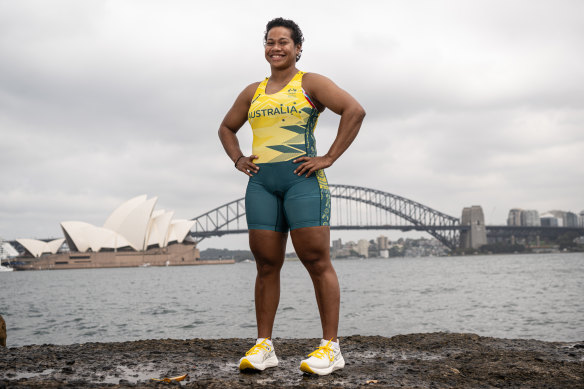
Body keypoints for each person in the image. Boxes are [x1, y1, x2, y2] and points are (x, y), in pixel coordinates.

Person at [218, 17, 365, 376]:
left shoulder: (310, 82)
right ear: (264, 48)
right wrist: (238, 158)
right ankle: (264, 346)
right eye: (270, 42)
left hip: (303, 183)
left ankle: (331, 348)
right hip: (261, 185)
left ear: (298, 48)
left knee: (316, 261)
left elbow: (354, 110)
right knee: (266, 265)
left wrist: (328, 157)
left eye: (284, 42)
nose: (276, 48)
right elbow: (226, 128)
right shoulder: (252, 91)